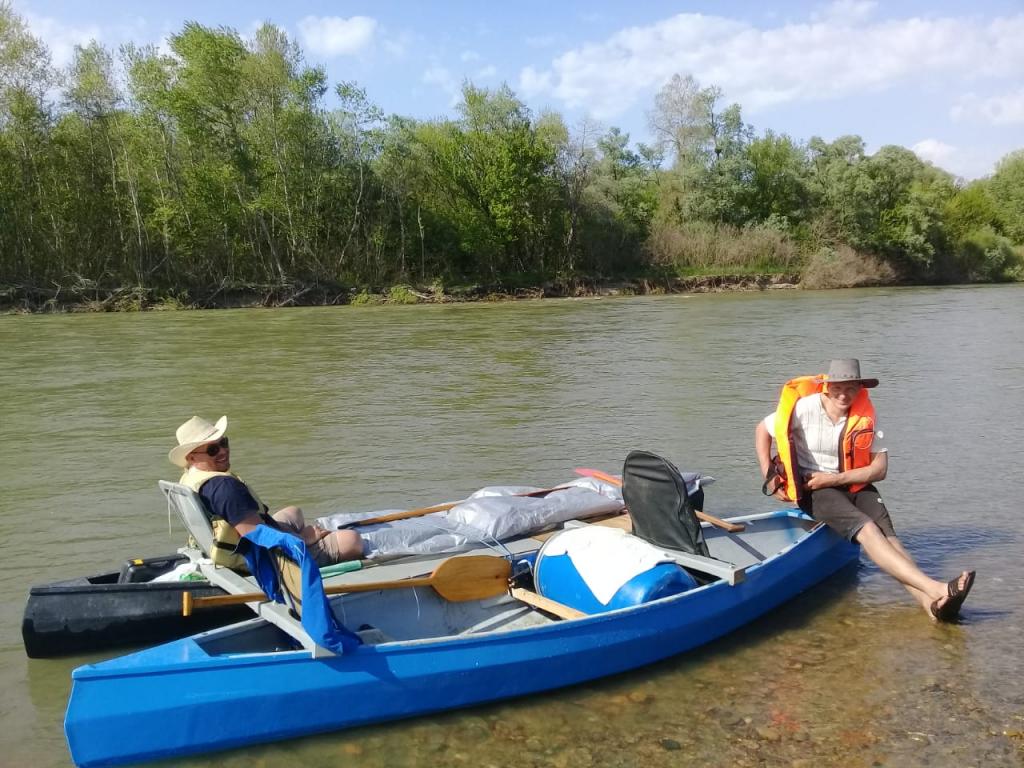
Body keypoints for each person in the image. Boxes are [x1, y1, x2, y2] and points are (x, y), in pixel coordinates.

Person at [754, 359, 975, 622]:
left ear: (859, 388)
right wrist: (769, 473)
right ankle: (937, 589)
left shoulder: (867, 415)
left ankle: (931, 607)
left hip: (849, 482)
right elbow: (762, 430)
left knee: (891, 540)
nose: (844, 395)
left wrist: (834, 479)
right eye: (837, 388)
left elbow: (879, 469)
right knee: (868, 530)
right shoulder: (803, 409)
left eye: (850, 388)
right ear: (826, 388)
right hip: (813, 487)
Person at [168, 415, 363, 567]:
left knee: (293, 512)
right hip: (260, 556)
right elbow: (259, 538)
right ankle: (311, 544)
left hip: (225, 542)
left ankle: (300, 535)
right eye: (212, 450)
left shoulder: (190, 477)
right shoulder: (224, 488)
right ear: (191, 457)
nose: (223, 451)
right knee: (352, 541)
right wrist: (304, 538)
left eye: (223, 442)